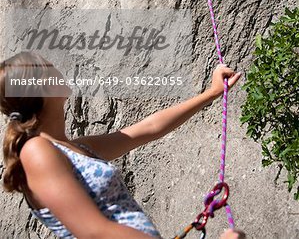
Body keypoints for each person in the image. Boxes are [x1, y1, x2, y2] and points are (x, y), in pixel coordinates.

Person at [0, 51, 245, 238]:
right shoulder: (36, 151)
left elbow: (149, 129)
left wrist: (210, 93)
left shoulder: (78, 149)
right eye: (48, 67)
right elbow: (94, 232)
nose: (57, 68)